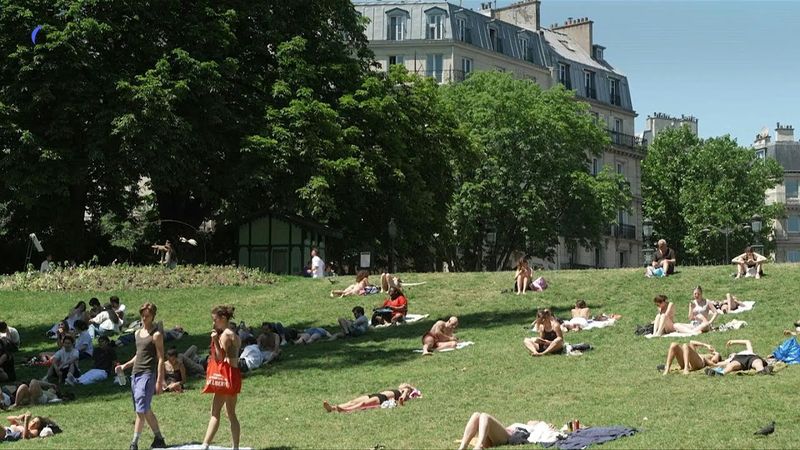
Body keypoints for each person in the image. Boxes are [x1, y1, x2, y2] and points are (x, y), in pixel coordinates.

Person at [115, 302, 167, 450]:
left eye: (147, 316)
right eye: (142, 315)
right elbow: (139, 354)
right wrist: (125, 366)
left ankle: (134, 443)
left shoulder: (156, 335)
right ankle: (159, 438)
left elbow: (161, 358)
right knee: (144, 408)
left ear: (153, 317)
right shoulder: (138, 333)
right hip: (135, 374)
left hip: (147, 374)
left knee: (140, 409)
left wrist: (159, 380)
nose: (144, 318)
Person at [201, 305, 241, 450]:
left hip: (226, 375)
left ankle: (205, 445)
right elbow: (236, 349)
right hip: (234, 374)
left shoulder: (225, 334)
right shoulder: (233, 333)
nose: (213, 323)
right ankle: (235, 446)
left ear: (223, 319)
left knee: (215, 413)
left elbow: (219, 357)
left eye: (215, 320)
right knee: (231, 413)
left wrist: (215, 340)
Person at [457, 412, 556, 450]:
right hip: (499, 434)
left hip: (508, 436)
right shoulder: (528, 425)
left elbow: (546, 434)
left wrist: (547, 426)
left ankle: (479, 446)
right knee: (476, 415)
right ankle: (462, 447)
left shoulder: (535, 430)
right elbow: (530, 421)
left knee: (484, 416)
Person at [323, 383, 416, 413]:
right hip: (375, 395)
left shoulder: (406, 390)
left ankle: (345, 410)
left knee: (362, 405)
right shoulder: (399, 389)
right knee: (352, 401)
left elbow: (402, 398)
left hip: (382, 398)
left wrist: (405, 393)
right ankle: (332, 408)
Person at [705, 340, 772, 376]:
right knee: (732, 365)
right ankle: (721, 373)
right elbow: (716, 364)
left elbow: (747, 342)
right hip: (738, 360)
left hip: (751, 356)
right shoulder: (731, 359)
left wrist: (733, 341)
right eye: (730, 355)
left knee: (757, 362)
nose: (732, 353)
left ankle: (761, 371)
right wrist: (714, 356)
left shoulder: (749, 351)